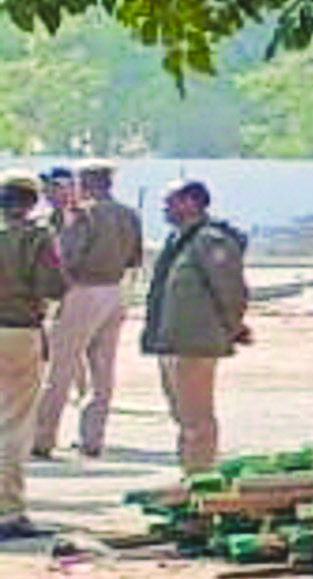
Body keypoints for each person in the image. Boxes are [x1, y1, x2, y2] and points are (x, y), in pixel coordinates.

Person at [138, 177, 252, 476]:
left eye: (171, 201)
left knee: (197, 420)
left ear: (192, 203)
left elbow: (231, 291)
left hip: (196, 343)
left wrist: (232, 327)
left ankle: (200, 479)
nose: (165, 208)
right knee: (182, 416)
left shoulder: (210, 241)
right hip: (172, 341)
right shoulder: (180, 240)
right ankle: (189, 473)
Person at [37, 162, 142, 466]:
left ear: (87, 182)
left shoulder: (85, 215)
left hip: (83, 289)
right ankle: (92, 438)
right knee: (102, 369)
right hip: (114, 290)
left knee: (61, 366)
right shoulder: (128, 214)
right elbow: (134, 258)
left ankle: (43, 437)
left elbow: (68, 257)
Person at [0, 178, 60, 540]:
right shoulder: (36, 237)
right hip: (18, 330)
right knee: (13, 424)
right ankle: (8, 510)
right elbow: (52, 285)